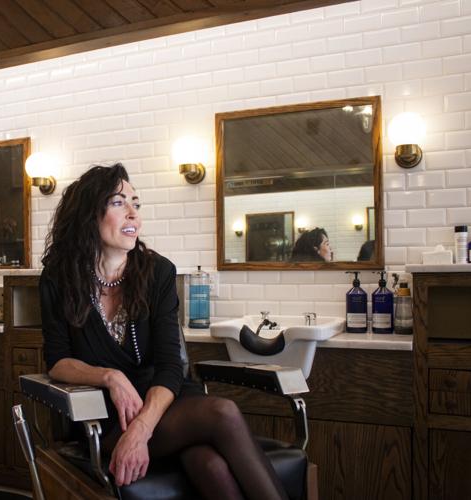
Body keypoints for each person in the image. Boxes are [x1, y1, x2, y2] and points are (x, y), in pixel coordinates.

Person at [39, 163, 288, 499]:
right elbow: (58, 361)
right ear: (88, 214)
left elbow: (172, 365)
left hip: (165, 401)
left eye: (136, 204)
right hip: (107, 417)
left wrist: (141, 430)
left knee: (209, 462)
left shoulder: (158, 272)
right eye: (118, 203)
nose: (133, 215)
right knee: (220, 419)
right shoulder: (58, 279)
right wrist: (110, 377)